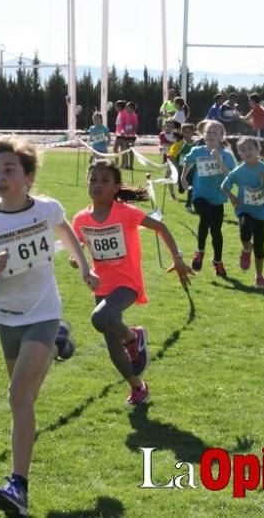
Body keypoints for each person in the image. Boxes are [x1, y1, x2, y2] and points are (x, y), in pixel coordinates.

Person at [0, 136, 99, 518]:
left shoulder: (46, 209)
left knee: (18, 396)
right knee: (27, 397)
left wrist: (85, 269)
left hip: (44, 310)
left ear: (28, 176)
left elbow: (67, 234)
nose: (0, 177)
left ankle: (18, 485)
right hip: (6, 316)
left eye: (8, 170)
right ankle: (57, 344)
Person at [71, 159, 192, 407]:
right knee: (110, 339)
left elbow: (160, 227)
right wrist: (79, 263)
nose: (97, 185)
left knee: (99, 319)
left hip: (127, 282)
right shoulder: (81, 218)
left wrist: (178, 259)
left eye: (104, 181)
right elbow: (79, 249)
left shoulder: (125, 213)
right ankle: (138, 387)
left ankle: (133, 337)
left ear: (116, 187)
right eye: (93, 179)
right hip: (101, 284)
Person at [181, 119, 235, 276]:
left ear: (221, 137)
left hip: (217, 197)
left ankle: (217, 261)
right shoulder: (198, 151)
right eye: (209, 132)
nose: (211, 135)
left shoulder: (226, 155)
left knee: (216, 230)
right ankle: (200, 252)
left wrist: (218, 160)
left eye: (215, 132)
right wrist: (184, 178)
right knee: (205, 218)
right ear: (204, 135)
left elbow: (229, 175)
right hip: (200, 194)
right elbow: (188, 162)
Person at [221, 137, 264, 289]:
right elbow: (224, 186)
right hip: (244, 209)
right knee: (245, 234)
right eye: (243, 150)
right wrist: (232, 197)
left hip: (261, 211)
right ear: (239, 153)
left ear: (258, 150)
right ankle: (246, 249)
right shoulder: (238, 171)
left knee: (259, 246)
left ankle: (259, 276)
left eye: (250, 148)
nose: (247, 152)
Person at [242, 92, 264, 157]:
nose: (248, 102)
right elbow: (252, 122)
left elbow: (245, 119)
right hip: (262, 131)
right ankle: (260, 165)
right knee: (260, 150)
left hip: (260, 131)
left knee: (259, 150)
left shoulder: (256, 109)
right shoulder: (260, 108)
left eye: (249, 100)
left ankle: (260, 165)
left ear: (253, 101)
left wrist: (237, 115)